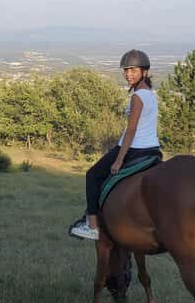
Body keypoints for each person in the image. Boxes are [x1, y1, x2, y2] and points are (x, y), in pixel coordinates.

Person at [69, 49, 162, 240]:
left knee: (92, 175)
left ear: (144, 72)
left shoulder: (137, 97)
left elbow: (131, 129)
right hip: (153, 149)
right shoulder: (151, 94)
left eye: (133, 70)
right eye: (126, 70)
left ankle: (92, 225)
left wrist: (119, 159)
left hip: (134, 149)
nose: (128, 74)